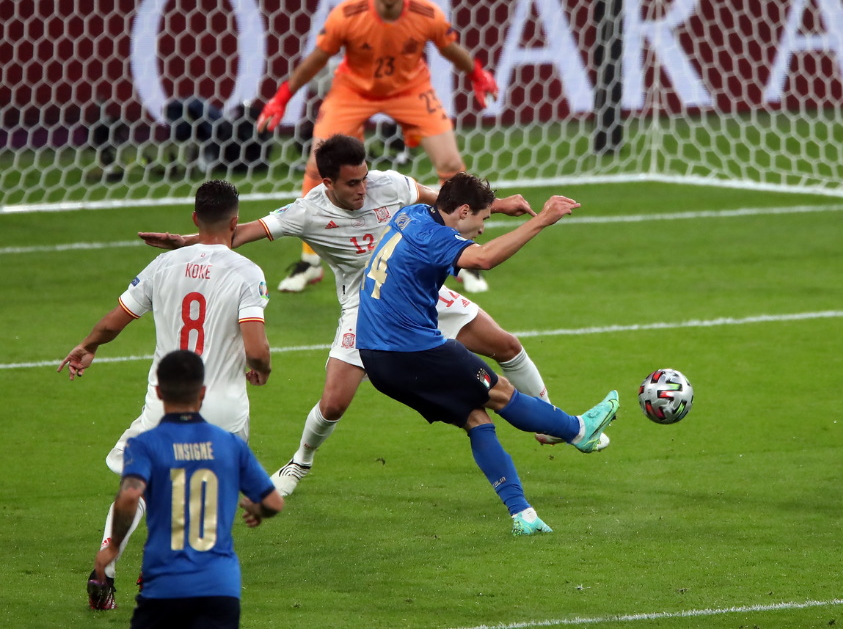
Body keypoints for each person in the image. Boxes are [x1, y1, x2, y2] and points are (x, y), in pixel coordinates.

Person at [138, 134, 595, 501]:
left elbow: (442, 204)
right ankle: (299, 461)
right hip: (365, 305)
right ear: (327, 182)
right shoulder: (306, 211)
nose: (364, 188)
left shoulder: (390, 184)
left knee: (506, 344)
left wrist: (494, 207)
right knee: (334, 402)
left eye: (364, 178)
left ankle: (550, 423)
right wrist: (187, 241)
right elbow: (239, 233)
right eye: (353, 183)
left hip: (420, 291)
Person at [357, 172, 619, 535]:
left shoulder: (411, 215)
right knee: (500, 391)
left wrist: (496, 204)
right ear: (464, 211)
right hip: (413, 350)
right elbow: (482, 260)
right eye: (483, 218)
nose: (482, 228)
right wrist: (542, 219)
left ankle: (523, 515)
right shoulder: (435, 236)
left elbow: (448, 203)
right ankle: (577, 430)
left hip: (375, 357)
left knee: (475, 418)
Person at [61, 180, 272, 609]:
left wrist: (88, 346)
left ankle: (107, 563)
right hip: (222, 406)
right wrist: (260, 370)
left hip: (166, 398)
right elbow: (257, 348)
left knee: (137, 483)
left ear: (195, 219)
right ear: (235, 221)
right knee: (206, 488)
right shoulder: (248, 272)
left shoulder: (164, 266)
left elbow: (116, 319)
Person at [255, 0, 499, 294]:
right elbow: (316, 58)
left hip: (410, 88)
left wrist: (477, 74)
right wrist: (281, 98)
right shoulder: (348, 14)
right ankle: (310, 261)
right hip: (353, 91)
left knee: (451, 164)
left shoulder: (425, 13)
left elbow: (448, 49)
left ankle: (461, 253)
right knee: (316, 166)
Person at [91, 349, 283, 629]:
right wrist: (257, 509)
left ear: (158, 392)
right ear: (202, 393)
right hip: (221, 587)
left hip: (165, 588)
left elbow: (130, 495)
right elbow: (274, 502)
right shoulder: (230, 445)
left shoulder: (145, 445)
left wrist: (114, 546)